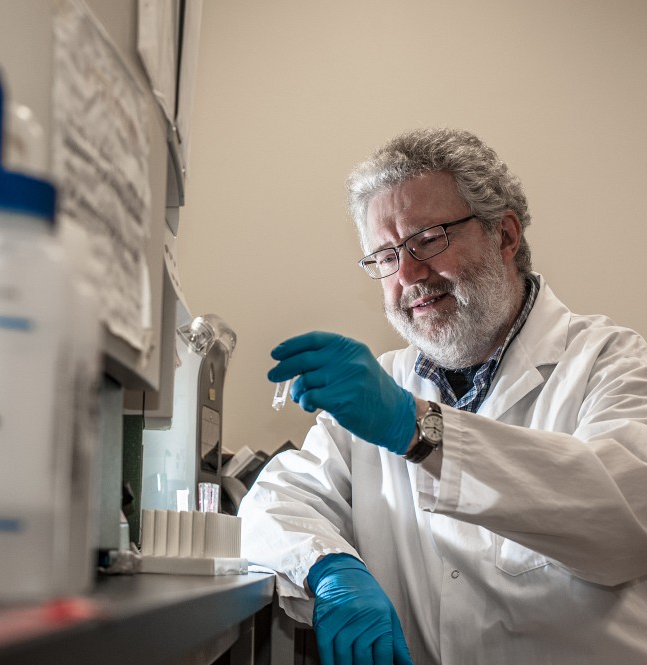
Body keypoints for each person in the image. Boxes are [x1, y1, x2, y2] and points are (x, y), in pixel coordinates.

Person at [238, 128, 647, 665]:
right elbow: (276, 499)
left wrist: (416, 430)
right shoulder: (381, 387)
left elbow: (622, 526)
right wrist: (330, 567)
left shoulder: (614, 363)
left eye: (428, 239)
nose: (408, 274)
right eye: (384, 255)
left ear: (505, 236)